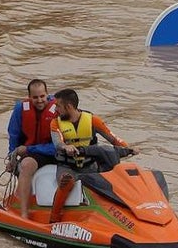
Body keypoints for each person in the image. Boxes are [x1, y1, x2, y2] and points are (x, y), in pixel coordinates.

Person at [48, 88, 135, 222]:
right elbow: (57, 143)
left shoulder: (93, 120)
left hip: (90, 165)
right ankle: (54, 219)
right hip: (67, 166)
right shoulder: (55, 123)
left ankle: (123, 214)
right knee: (66, 181)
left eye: (58, 106)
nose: (56, 110)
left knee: (114, 180)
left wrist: (127, 148)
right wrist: (66, 147)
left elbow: (113, 138)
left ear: (69, 106)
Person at [4, 79, 59, 219]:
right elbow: (14, 135)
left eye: (42, 96)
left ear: (47, 94)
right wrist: (12, 157)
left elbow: (58, 145)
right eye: (35, 97)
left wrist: (29, 149)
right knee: (26, 165)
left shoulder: (58, 109)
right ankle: (23, 214)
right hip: (31, 155)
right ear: (29, 97)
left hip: (53, 151)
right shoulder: (20, 109)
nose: (39, 100)